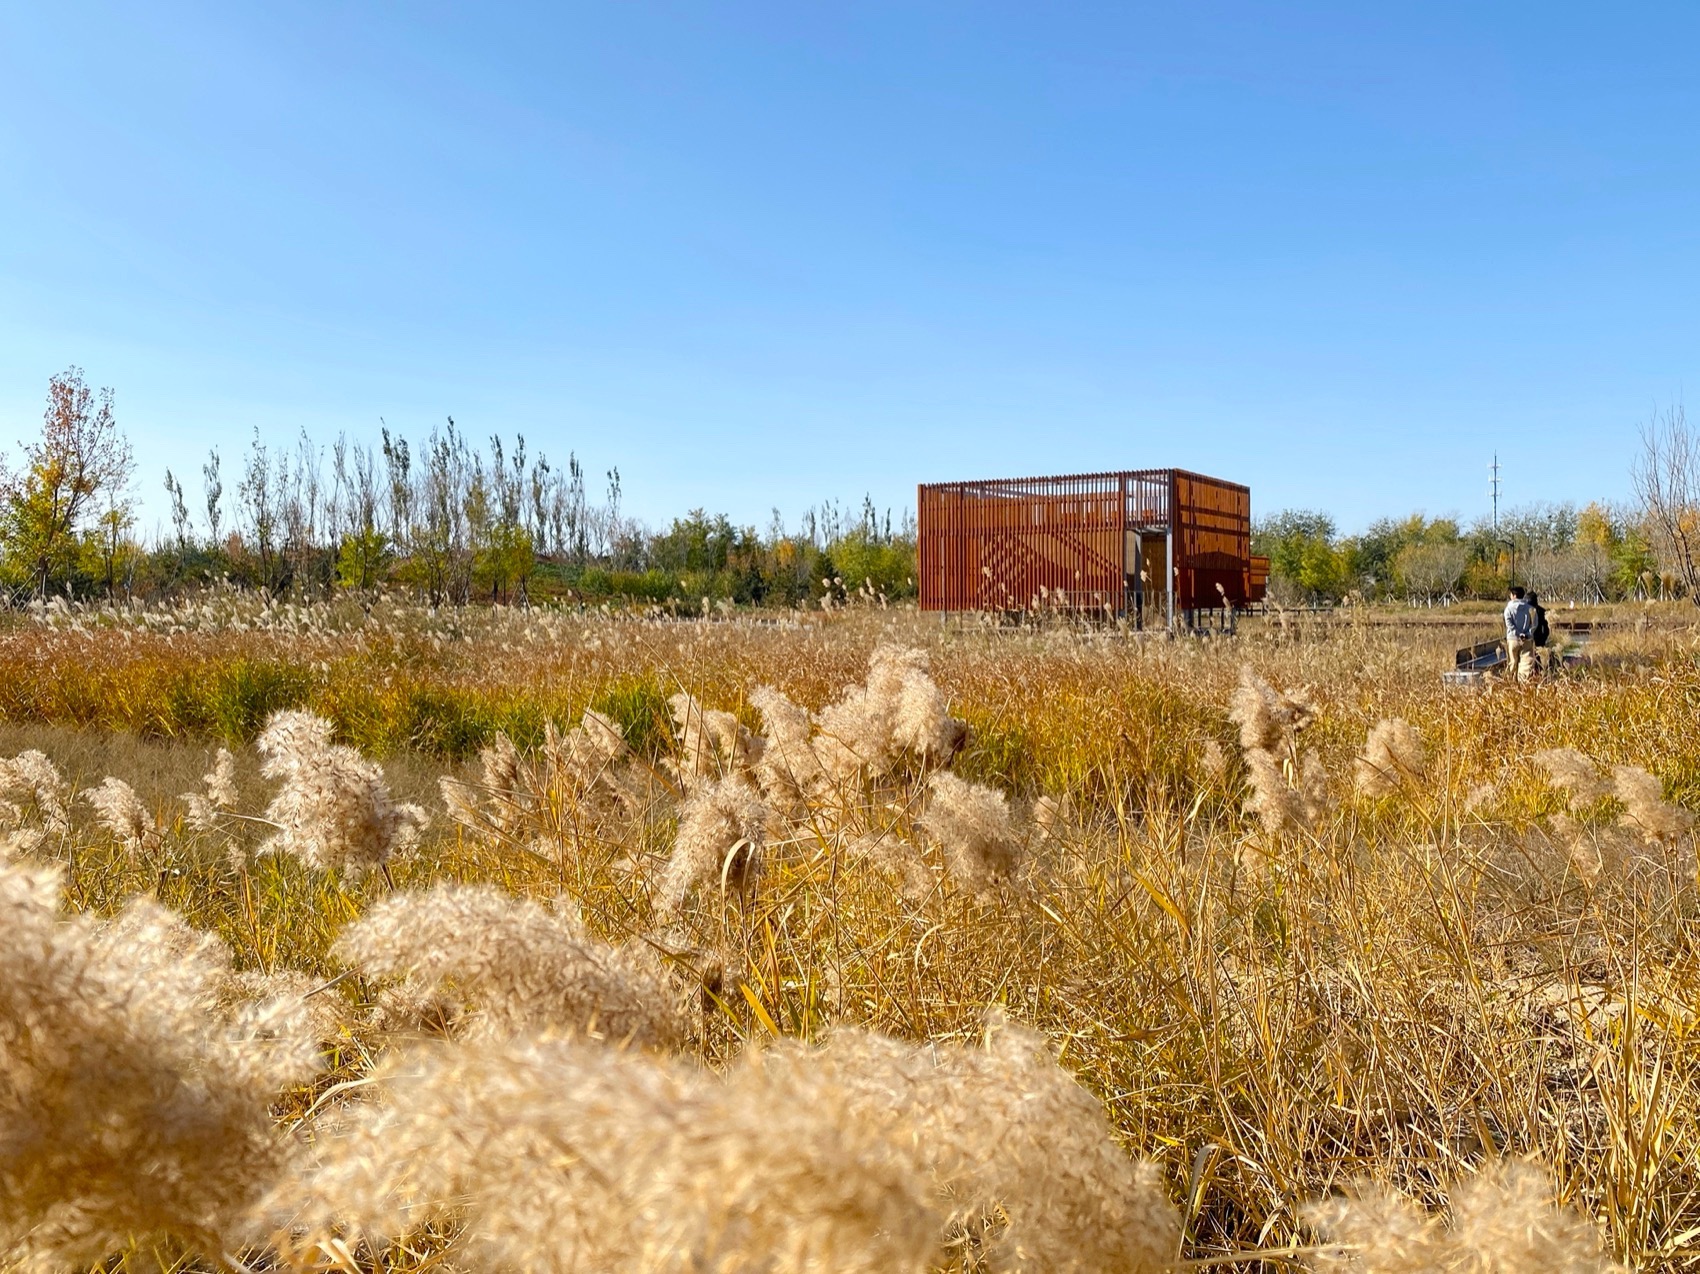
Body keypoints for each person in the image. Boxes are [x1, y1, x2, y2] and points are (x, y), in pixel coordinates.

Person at [1503, 585, 1534, 681]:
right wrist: (1526, 634)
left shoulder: (1508, 609)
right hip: (1527, 640)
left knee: (1512, 662)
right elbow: (1534, 624)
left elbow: (1509, 624)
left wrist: (1518, 633)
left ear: (1514, 595)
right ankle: (1524, 683)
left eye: (1511, 595)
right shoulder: (1530, 609)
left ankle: (1510, 684)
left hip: (1513, 639)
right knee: (1526, 664)